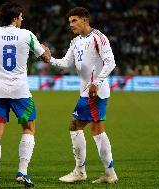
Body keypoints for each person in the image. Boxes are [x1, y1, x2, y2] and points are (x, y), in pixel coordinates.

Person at [0, 2, 51, 188]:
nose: (22, 19)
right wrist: (46, 49)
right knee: (29, 129)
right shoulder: (27, 35)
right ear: (15, 18)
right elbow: (46, 58)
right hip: (20, 91)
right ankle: (22, 172)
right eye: (21, 16)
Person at [48, 7, 118, 184]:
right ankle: (109, 173)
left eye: (74, 21)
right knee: (97, 130)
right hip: (87, 90)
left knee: (75, 126)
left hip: (94, 92)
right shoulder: (75, 41)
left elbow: (111, 63)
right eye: (70, 21)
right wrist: (48, 58)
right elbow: (65, 63)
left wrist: (97, 82)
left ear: (85, 20)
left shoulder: (99, 38)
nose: (71, 24)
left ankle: (80, 171)